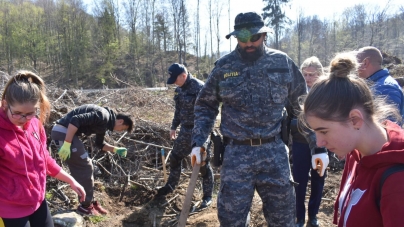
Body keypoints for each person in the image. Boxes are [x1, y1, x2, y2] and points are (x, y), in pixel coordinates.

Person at [190, 12, 328, 227]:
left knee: (283, 219)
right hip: (236, 155)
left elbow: (302, 107)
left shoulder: (282, 63)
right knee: (231, 220)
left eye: (254, 38)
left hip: (274, 153)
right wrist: (199, 142)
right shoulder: (224, 67)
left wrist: (317, 146)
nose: (249, 44)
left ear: (264, 35)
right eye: (243, 39)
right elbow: (206, 106)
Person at [300, 52, 404, 227]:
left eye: (323, 131)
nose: (319, 143)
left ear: (355, 119)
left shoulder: (396, 182)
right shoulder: (356, 153)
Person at [0, 71, 86, 227]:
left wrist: (71, 180)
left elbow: (44, 159)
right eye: (17, 113)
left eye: (30, 113)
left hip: (38, 201)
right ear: (5, 104)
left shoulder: (35, 125)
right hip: (10, 208)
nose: (24, 119)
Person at [50, 104, 133, 216]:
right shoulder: (103, 115)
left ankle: (88, 201)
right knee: (85, 166)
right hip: (63, 132)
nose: (119, 131)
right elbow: (75, 120)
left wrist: (116, 149)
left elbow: (100, 144)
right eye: (122, 129)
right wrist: (67, 143)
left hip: (65, 133)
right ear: (120, 121)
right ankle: (85, 206)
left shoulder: (104, 123)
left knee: (85, 166)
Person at [156, 63, 214, 210]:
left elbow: (210, 114)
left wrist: (202, 139)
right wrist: (174, 127)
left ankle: (207, 196)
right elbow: (178, 110)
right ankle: (171, 185)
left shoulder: (200, 88)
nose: (175, 83)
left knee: (202, 164)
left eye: (176, 79)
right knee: (175, 157)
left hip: (200, 131)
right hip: (185, 131)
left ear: (184, 75)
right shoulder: (179, 91)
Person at [291, 56, 326, 227]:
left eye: (312, 74)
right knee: (299, 181)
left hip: (322, 144)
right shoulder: (297, 93)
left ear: (320, 74)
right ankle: (299, 217)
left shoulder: (327, 93)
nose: (308, 78)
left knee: (318, 180)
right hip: (300, 144)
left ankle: (313, 216)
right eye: (305, 74)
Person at [355, 46, 404, 121]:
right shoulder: (376, 84)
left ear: (365, 63)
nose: (355, 68)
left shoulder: (385, 88)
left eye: (356, 63)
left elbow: (389, 126)